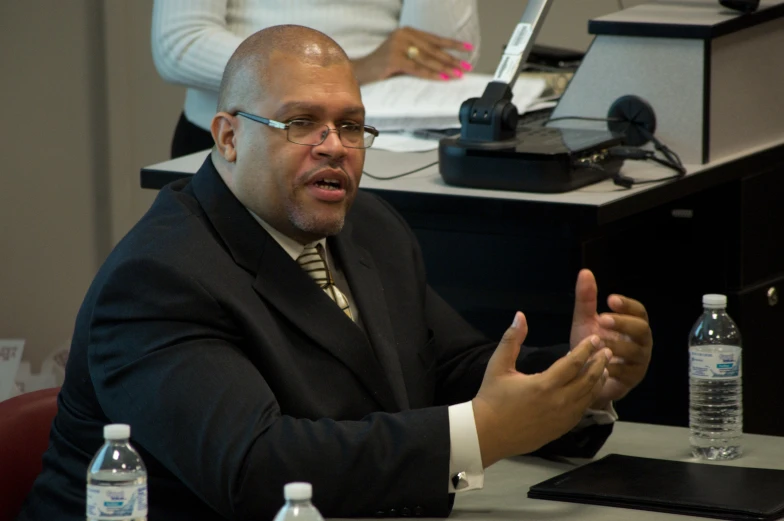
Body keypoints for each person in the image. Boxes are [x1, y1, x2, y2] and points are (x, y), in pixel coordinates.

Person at [18, 25, 653, 521]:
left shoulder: (371, 227)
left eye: (350, 125)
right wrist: (480, 433)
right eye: (301, 123)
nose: (334, 146)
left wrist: (576, 376)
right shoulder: (160, 276)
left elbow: (448, 372)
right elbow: (255, 469)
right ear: (228, 136)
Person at [151, 0, 480, 158]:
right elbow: (180, 45)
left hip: (377, 143)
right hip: (244, 140)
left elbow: (446, 55)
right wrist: (352, 69)